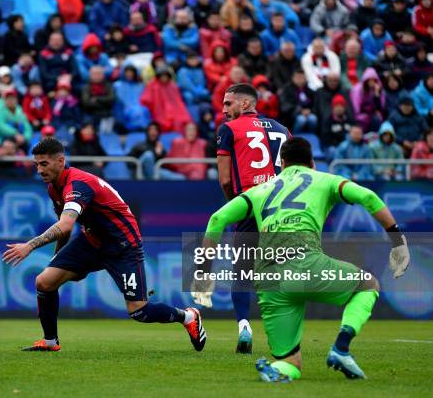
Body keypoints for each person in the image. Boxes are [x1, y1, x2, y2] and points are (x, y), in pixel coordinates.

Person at [199, 136, 410, 382]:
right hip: (305, 263)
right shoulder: (324, 180)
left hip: (268, 280)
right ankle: (341, 347)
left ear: (282, 162)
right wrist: (398, 243)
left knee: (290, 362)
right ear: (312, 162)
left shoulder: (260, 189)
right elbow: (369, 198)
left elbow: (216, 220)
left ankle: (277, 371)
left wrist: (203, 273)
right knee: (368, 285)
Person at [1, 138, 207, 352]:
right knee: (44, 282)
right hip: (91, 240)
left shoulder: (77, 184)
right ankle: (50, 341)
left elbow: (64, 225)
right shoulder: (54, 188)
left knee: (139, 311)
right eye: (36, 164)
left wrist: (29, 246)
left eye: (44, 164)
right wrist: (58, 258)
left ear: (61, 161)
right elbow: (66, 228)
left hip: (122, 246)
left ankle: (189, 316)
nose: (39, 169)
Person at [209, 83, 291, 354]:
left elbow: (224, 178)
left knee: (242, 270)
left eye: (228, 104)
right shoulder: (282, 129)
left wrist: (235, 205)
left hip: (249, 204)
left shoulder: (229, 130)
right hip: (281, 208)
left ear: (245, 104)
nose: (223, 110)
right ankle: (283, 333)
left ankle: (244, 325)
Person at [140, 66, 192, 133]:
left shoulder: (173, 86)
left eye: (165, 75)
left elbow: (178, 103)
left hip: (175, 112)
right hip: (159, 112)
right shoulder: (153, 85)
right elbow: (145, 99)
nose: (164, 78)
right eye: (162, 76)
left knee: (181, 121)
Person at [112, 64, 151, 132]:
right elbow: (118, 101)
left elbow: (144, 99)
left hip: (139, 108)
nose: (129, 74)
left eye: (131, 72)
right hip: (124, 110)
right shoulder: (117, 85)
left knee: (143, 111)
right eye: (127, 72)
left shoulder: (140, 86)